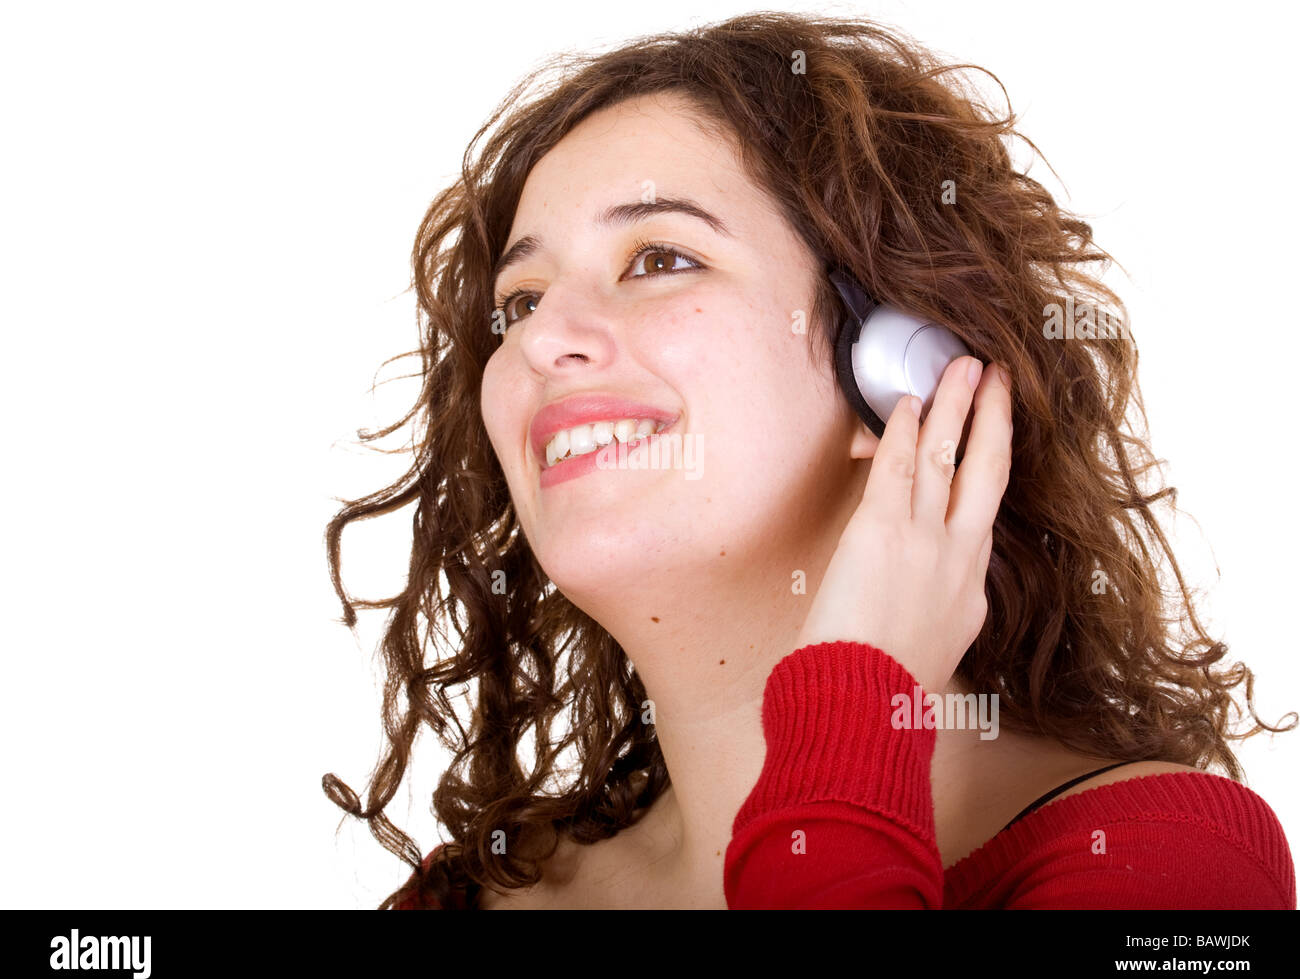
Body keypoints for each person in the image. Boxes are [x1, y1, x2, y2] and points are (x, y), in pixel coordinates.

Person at [322, 11, 1296, 909]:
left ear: (906, 373)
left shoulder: (1164, 865)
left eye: (660, 258)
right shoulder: (459, 901)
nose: (541, 341)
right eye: (520, 301)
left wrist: (854, 702)